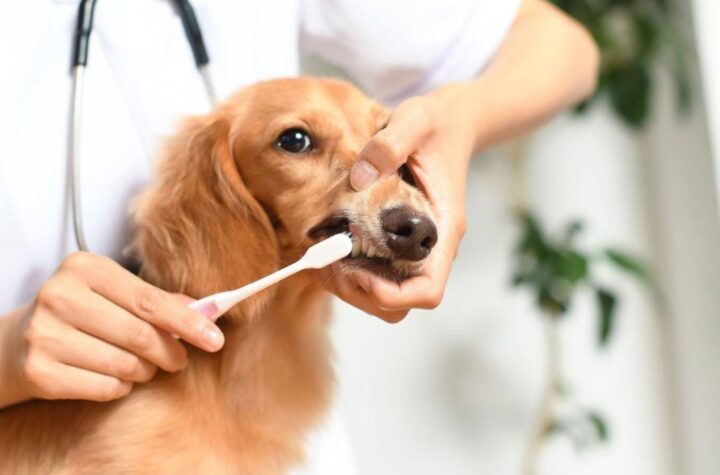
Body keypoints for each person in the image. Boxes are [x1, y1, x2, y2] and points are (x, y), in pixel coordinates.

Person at [0, 0, 598, 472]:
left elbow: (562, 48)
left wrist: (462, 117)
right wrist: (8, 357)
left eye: (375, 137)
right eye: (296, 141)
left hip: (281, 411)